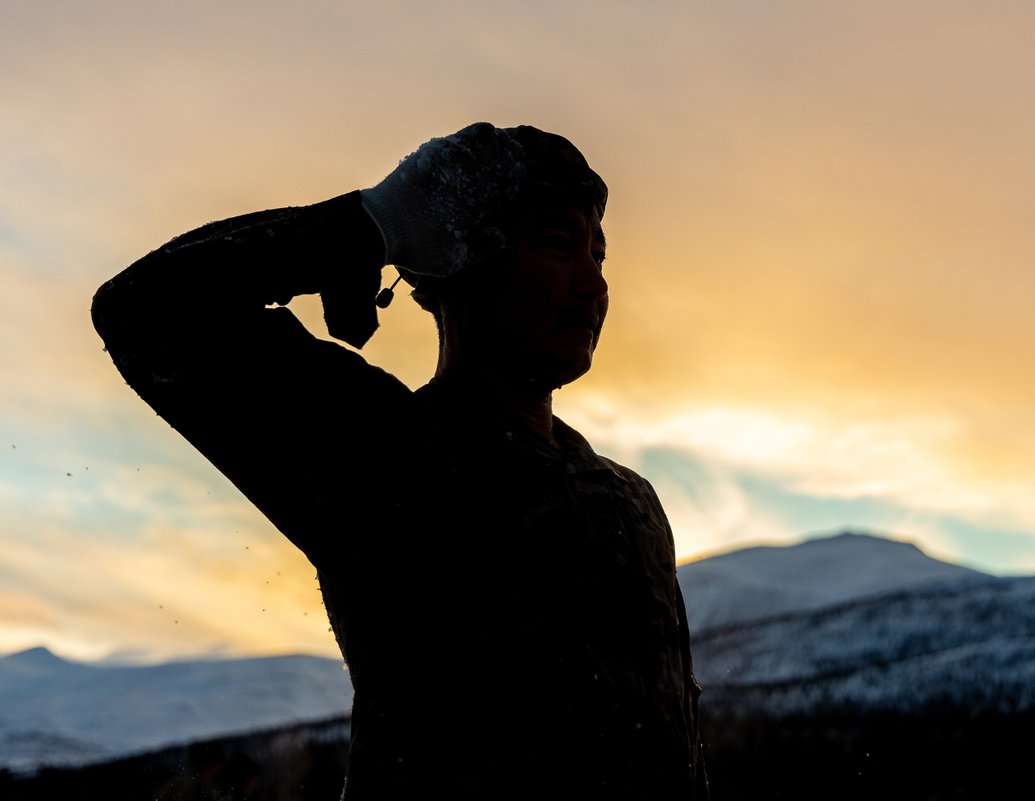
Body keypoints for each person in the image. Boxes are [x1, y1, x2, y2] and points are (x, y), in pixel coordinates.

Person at [92, 122, 709, 800]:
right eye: (560, 245)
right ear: (459, 264)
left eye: (599, 254)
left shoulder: (630, 501)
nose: (593, 286)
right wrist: (368, 225)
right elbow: (145, 309)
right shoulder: (383, 453)